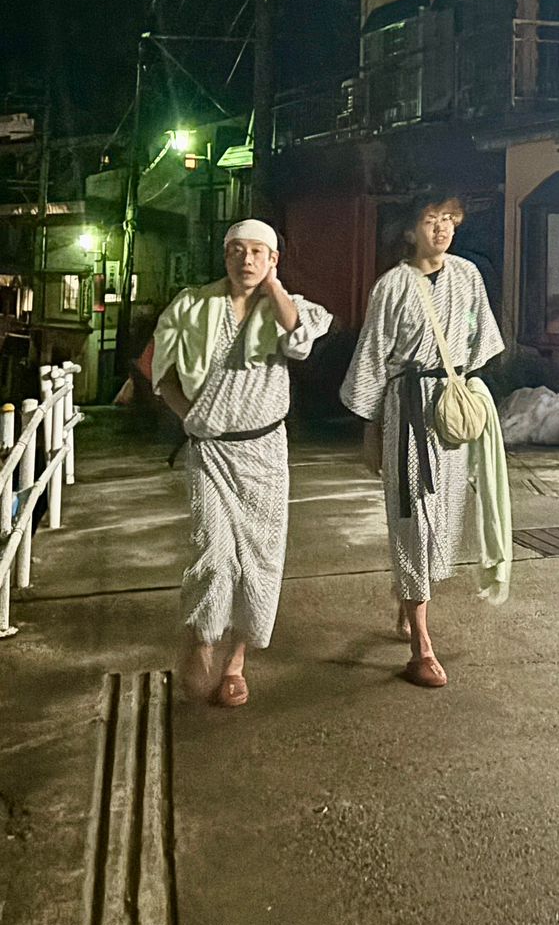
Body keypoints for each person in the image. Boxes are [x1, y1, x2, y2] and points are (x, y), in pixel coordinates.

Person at [151, 219, 332, 707]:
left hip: (266, 450)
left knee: (260, 558)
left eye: (258, 252)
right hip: (210, 448)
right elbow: (161, 372)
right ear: (224, 254)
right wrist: (190, 418)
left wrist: (274, 287)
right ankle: (201, 639)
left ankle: (236, 660)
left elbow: (300, 340)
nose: (246, 260)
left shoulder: (287, 308)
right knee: (211, 548)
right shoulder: (192, 304)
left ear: (273, 259)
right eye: (236, 250)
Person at [341, 191, 507, 687]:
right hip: (406, 408)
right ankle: (421, 645)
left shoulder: (468, 277)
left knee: (444, 518)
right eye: (431, 220)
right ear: (410, 230)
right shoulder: (391, 286)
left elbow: (482, 342)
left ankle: (410, 598)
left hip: (449, 408)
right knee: (412, 516)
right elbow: (372, 356)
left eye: (449, 220)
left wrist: (468, 388)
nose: (441, 229)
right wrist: (371, 429)